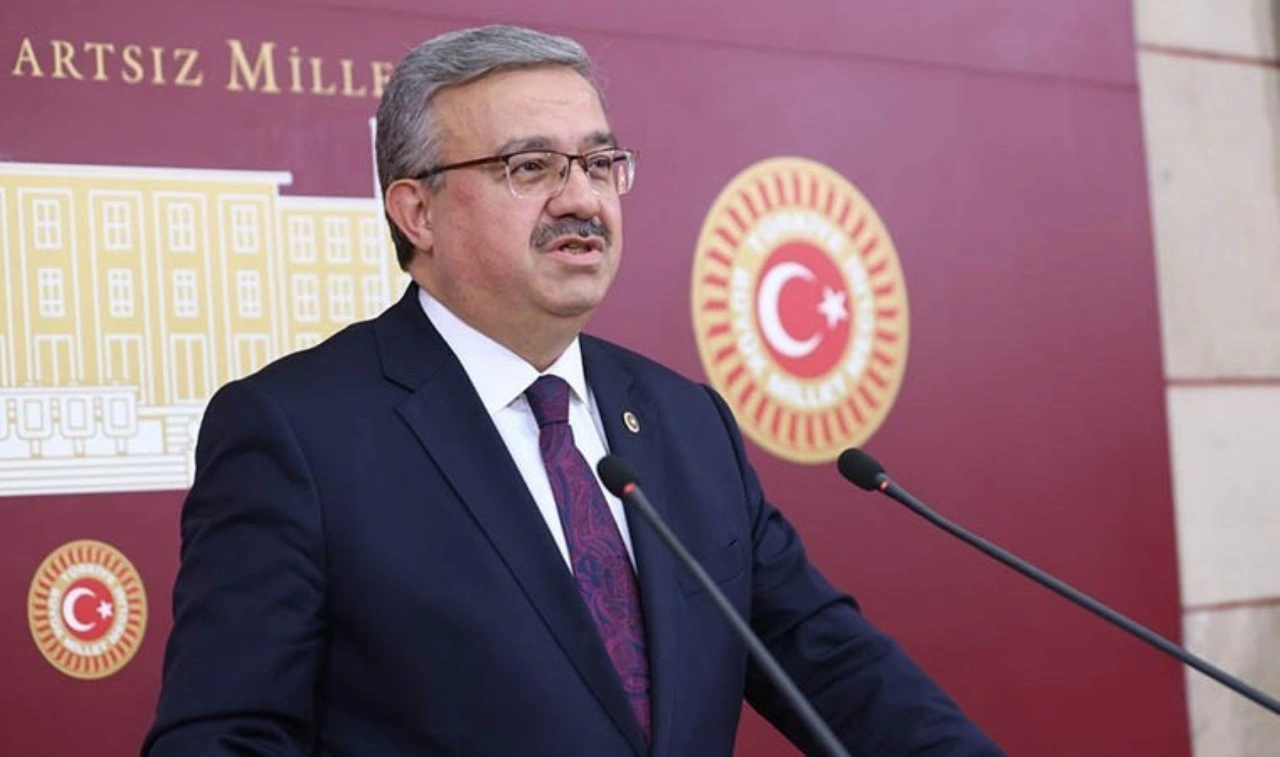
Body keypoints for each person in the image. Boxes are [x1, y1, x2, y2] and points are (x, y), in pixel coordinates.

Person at [144, 24, 1003, 757]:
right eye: (531, 167)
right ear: (417, 213)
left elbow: (832, 665)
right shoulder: (299, 434)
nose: (582, 197)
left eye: (599, 161)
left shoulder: (685, 421)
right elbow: (223, 737)